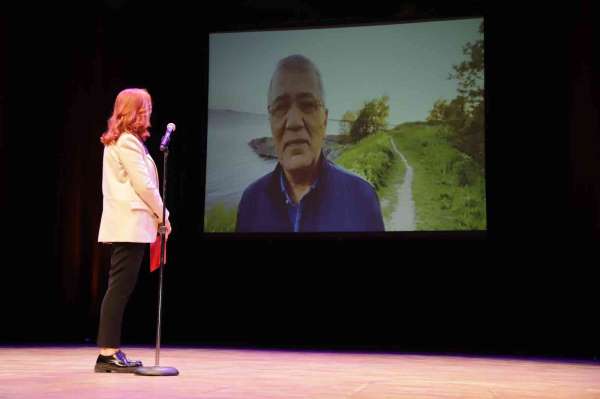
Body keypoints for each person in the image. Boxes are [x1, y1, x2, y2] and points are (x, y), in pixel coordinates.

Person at [236, 55, 384, 232]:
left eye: (307, 105)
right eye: (281, 107)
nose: (294, 122)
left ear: (325, 120)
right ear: (270, 122)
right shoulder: (250, 203)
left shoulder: (362, 198)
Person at [95, 88, 171, 373]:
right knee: (119, 289)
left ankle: (110, 350)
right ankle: (107, 352)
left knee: (120, 288)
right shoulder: (126, 142)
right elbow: (144, 185)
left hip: (130, 225)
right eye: (146, 107)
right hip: (128, 226)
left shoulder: (126, 142)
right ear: (135, 110)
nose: (149, 112)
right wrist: (163, 212)